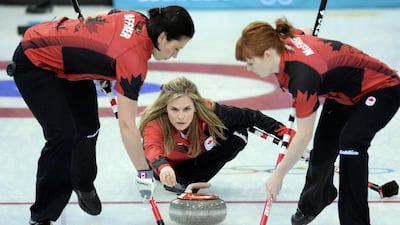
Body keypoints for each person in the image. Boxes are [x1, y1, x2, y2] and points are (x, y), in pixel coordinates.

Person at [6, 5, 194, 225]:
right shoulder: (133, 61)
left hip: (69, 65)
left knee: (89, 128)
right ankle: (42, 216)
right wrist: (143, 171)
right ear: (162, 37)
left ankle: (82, 182)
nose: (175, 56)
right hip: (35, 59)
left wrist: (103, 64)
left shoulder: (137, 18)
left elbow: (113, 16)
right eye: (176, 48)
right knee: (63, 136)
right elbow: (126, 126)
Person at [235, 18, 400, 225]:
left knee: (350, 144)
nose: (249, 69)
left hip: (382, 89)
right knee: (323, 151)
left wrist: (279, 175)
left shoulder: (304, 78)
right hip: (343, 93)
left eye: (250, 63)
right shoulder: (284, 39)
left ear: (268, 55)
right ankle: (319, 198)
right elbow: (305, 30)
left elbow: (303, 136)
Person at [138, 76, 296, 194]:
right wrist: (163, 168)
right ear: (165, 108)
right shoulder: (156, 123)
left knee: (239, 133)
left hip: (194, 158)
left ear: (195, 106)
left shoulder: (209, 111)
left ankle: (192, 180)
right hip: (167, 170)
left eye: (186, 109)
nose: (181, 116)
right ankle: (181, 181)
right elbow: (152, 149)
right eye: (174, 109)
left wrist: (290, 138)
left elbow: (251, 117)